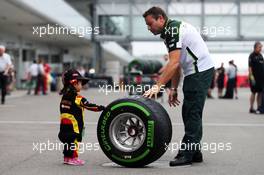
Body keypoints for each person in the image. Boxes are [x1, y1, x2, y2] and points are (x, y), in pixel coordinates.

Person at [142, 7, 214, 166]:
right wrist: (173, 89)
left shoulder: (174, 30)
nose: (149, 28)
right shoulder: (169, 31)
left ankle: (186, 153)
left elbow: (174, 63)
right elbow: (177, 63)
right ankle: (195, 151)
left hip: (199, 71)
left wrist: (158, 86)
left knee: (192, 111)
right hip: (194, 72)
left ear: (160, 18)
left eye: (150, 24)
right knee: (190, 111)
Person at [58, 69, 105, 166]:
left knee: (68, 141)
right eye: (80, 83)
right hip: (74, 125)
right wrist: (101, 108)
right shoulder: (77, 98)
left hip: (64, 125)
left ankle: (67, 158)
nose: (82, 85)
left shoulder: (64, 96)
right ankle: (73, 158)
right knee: (73, 142)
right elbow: (89, 106)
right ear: (74, 83)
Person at [248, 41, 264, 114]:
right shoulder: (251, 56)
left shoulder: (261, 56)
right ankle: (251, 107)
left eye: (261, 47)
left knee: (260, 93)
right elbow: (250, 68)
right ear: (255, 47)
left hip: (261, 79)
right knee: (253, 92)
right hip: (254, 78)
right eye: (259, 47)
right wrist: (252, 78)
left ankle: (259, 107)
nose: (261, 49)